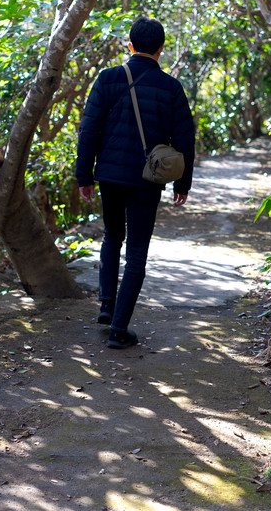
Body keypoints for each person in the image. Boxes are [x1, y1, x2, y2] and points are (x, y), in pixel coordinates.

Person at [75, 17, 196, 349]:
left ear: (130, 45)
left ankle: (106, 306)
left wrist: (84, 175)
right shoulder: (170, 87)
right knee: (138, 250)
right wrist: (182, 183)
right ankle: (118, 329)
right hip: (146, 180)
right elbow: (185, 138)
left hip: (109, 176)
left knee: (113, 235)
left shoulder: (107, 78)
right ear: (160, 48)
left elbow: (89, 130)